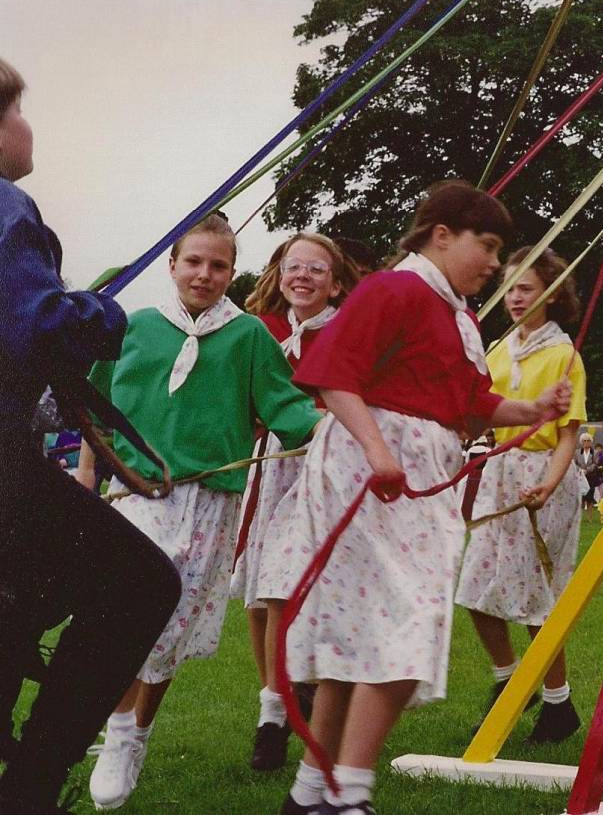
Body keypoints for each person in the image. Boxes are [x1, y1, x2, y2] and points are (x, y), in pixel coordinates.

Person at [273, 181, 570, 815]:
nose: (494, 264)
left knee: (364, 632)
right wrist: (380, 452)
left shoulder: (454, 313)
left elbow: (470, 404)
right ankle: (348, 790)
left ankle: (311, 792)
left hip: (413, 471)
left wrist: (533, 407)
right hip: (373, 472)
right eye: (485, 246)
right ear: (441, 234)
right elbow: (333, 376)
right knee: (407, 623)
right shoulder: (395, 289)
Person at [79, 214, 323, 810]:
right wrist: (88, 473)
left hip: (211, 504)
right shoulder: (135, 328)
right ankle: (116, 731)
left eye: (218, 265)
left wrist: (355, 430)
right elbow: (94, 402)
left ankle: (139, 730)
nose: (205, 275)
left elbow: (288, 407)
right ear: (172, 263)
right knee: (125, 612)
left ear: (232, 272)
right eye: (193, 262)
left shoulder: (248, 338)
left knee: (176, 623)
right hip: (138, 495)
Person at [0, 56, 181, 815]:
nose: (25, 126)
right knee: (141, 583)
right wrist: (105, 316)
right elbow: (32, 322)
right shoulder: (7, 206)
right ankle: (34, 785)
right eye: (17, 111)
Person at [232, 233, 358, 772]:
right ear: (277, 272)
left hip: (325, 467)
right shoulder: (259, 329)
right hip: (271, 467)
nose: (302, 276)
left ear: (334, 280)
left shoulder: (349, 330)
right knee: (263, 586)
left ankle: (305, 685)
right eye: (293, 266)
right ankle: (272, 707)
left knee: (309, 584)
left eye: (315, 268)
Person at [456, 245, 588, 744]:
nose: (514, 298)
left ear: (550, 296)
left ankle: (557, 704)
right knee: (475, 589)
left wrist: (549, 484)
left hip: (542, 477)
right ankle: (511, 677)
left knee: (538, 600)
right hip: (500, 474)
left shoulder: (564, 355)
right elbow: (481, 414)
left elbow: (570, 433)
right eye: (509, 288)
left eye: (526, 289)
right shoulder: (495, 350)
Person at [576, 431, 601, 510]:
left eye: (588, 440)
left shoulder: (595, 452)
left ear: (591, 442)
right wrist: (580, 470)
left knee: (590, 497)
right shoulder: (577, 452)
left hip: (591, 477)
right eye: (584, 441)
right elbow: (574, 463)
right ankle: (581, 516)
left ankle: (590, 518)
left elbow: (595, 463)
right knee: (581, 496)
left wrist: (587, 470)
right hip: (580, 477)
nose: (586, 442)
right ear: (581, 442)